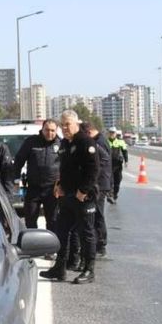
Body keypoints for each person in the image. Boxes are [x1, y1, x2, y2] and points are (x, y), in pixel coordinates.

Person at [39, 110, 99, 284]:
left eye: (68, 124)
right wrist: (59, 185)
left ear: (76, 124)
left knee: (86, 233)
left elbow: (93, 170)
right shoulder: (65, 143)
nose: (64, 128)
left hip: (83, 196)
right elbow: (64, 169)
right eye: (62, 124)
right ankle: (59, 268)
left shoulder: (85, 142)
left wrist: (84, 190)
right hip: (68, 196)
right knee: (61, 231)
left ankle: (89, 270)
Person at [13, 118, 61, 229]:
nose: (50, 133)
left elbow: (67, 167)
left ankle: (52, 245)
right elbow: (19, 160)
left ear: (56, 130)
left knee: (53, 221)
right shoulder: (31, 142)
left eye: (53, 130)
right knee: (30, 220)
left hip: (53, 189)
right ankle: (32, 244)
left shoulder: (62, 144)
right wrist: (16, 179)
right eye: (47, 130)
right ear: (42, 129)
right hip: (34, 188)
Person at [84, 122, 112, 259]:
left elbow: (103, 162)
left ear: (88, 132)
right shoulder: (98, 140)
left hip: (100, 184)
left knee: (98, 215)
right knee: (94, 215)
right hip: (98, 183)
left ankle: (101, 245)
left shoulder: (99, 143)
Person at [108, 128, 128, 203]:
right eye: (110, 132)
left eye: (113, 133)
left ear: (116, 133)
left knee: (118, 180)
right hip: (109, 165)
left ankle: (115, 194)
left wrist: (126, 161)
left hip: (117, 165)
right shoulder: (106, 142)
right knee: (110, 180)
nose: (112, 134)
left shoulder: (120, 142)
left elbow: (125, 151)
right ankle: (110, 195)